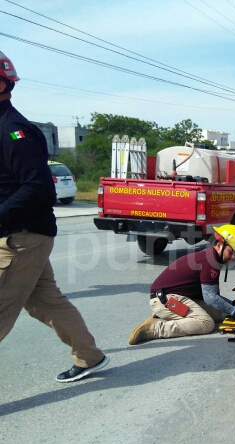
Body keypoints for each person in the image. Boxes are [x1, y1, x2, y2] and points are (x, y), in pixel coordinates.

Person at [0, 51, 109, 383]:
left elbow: (37, 188)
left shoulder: (14, 130)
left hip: (22, 238)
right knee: (45, 301)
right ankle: (89, 357)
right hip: (20, 234)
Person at [128, 224, 235, 345]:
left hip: (177, 296)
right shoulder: (209, 261)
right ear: (219, 245)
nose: (233, 257)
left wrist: (233, 306)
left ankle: (168, 315)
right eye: (231, 251)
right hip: (163, 299)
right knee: (206, 324)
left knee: (219, 314)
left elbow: (213, 297)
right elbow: (210, 297)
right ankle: (155, 328)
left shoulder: (211, 258)